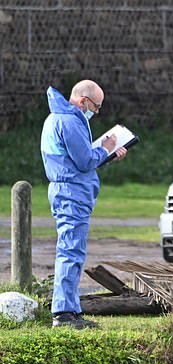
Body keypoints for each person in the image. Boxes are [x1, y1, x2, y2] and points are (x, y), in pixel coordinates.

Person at [41, 79, 127, 329]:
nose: (96, 112)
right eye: (96, 107)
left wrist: (107, 156)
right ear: (83, 100)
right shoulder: (69, 120)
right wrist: (106, 148)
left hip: (68, 190)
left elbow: (77, 159)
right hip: (71, 193)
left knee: (71, 250)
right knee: (70, 251)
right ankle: (64, 314)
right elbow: (84, 161)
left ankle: (71, 309)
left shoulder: (57, 118)